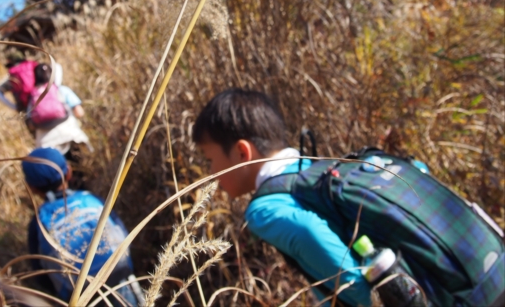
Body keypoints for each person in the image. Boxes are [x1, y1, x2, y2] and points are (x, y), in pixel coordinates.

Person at [192, 88, 505, 307]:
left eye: (209, 159)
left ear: (242, 152)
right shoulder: (328, 168)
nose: (209, 171)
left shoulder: (265, 208)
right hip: (492, 264)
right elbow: (418, 171)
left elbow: (332, 262)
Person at [23, 147, 144, 305]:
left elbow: (40, 272)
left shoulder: (38, 223)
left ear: (31, 187)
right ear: (69, 172)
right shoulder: (93, 200)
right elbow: (123, 234)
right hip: (122, 280)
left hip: (81, 297)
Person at [30, 63, 92, 155]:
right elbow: (79, 112)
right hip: (70, 135)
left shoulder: (33, 97)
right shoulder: (61, 90)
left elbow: (31, 124)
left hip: (46, 144)